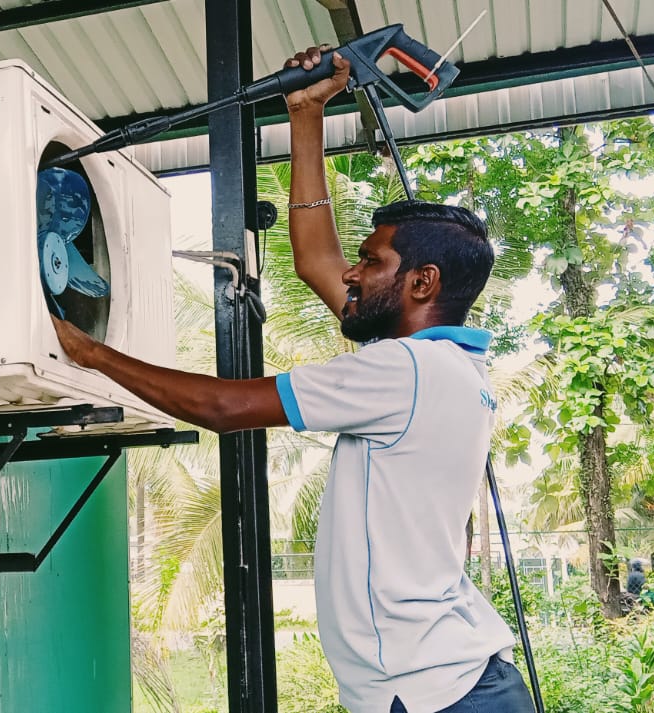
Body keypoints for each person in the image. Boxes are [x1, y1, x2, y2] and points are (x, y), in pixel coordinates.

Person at [49, 45, 534, 713]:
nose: (353, 274)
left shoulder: (407, 368)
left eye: (372, 260)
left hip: (437, 695)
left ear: (422, 282)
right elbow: (314, 261)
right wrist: (306, 114)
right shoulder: (441, 364)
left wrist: (89, 351)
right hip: (453, 683)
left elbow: (224, 405)